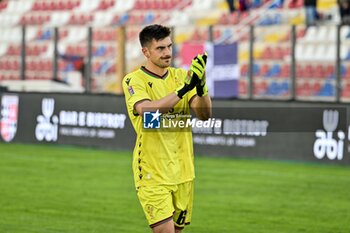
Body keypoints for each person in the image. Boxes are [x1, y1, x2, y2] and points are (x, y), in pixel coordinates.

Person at [122, 24, 212, 233]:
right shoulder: (134, 80)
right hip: (152, 172)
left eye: (169, 47)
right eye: (160, 48)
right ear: (146, 52)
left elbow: (204, 115)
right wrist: (183, 90)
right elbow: (148, 113)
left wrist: (201, 87)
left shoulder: (180, 77)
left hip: (183, 171)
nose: (167, 53)